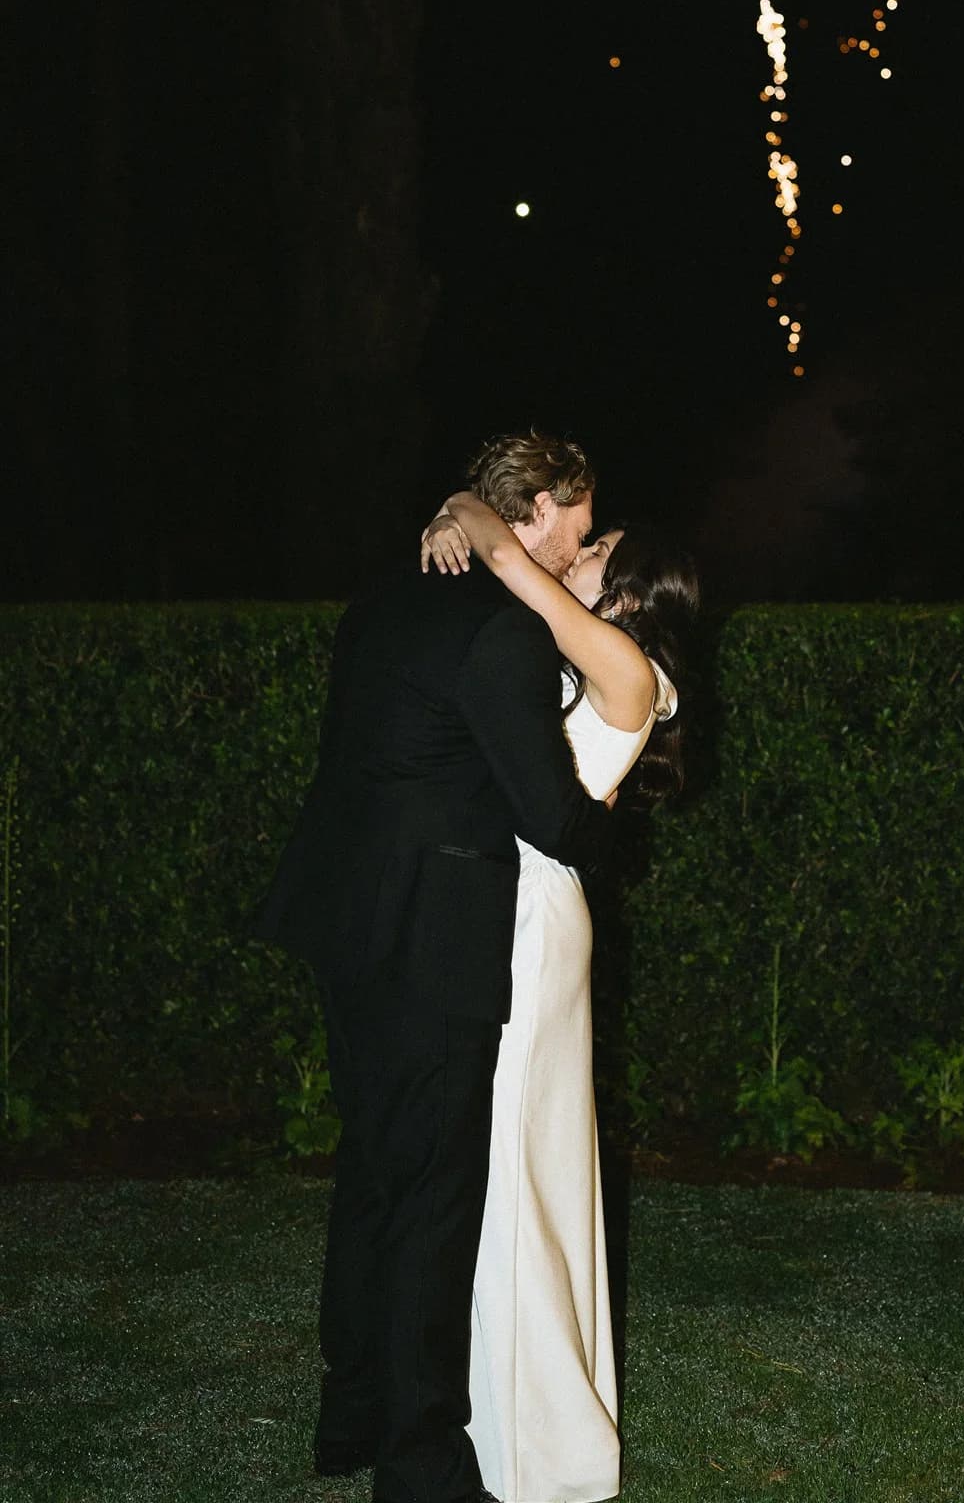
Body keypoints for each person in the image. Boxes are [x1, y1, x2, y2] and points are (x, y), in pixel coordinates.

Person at [255, 431, 614, 1503]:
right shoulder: (502, 630)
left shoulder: (382, 600)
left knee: (374, 1168)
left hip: (345, 916)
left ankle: (350, 1413)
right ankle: (421, 1464)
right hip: (431, 939)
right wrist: (622, 839)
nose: (579, 545)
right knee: (431, 1201)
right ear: (537, 507)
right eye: (578, 525)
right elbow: (549, 813)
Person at [420, 491, 698, 1503]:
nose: (575, 553)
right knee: (511, 1167)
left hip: (533, 919)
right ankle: (503, 1422)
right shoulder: (584, 660)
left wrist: (464, 510)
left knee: (515, 1171)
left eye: (597, 547)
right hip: (519, 906)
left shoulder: (630, 671)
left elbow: (509, 565)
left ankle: (537, 1450)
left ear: (626, 591)